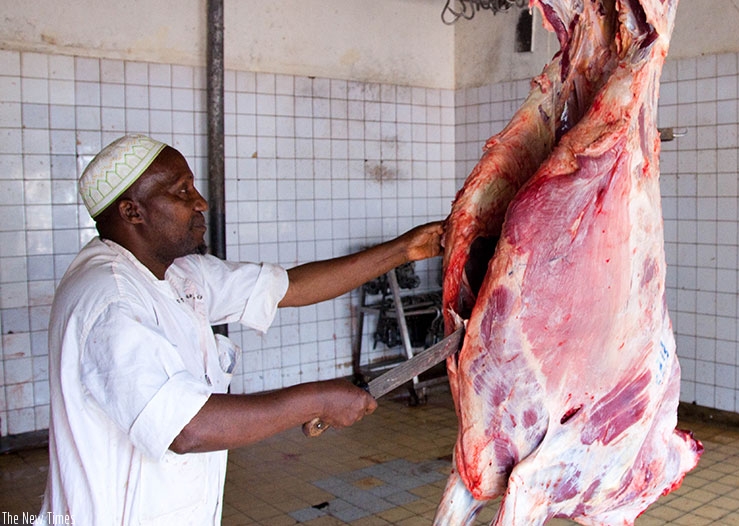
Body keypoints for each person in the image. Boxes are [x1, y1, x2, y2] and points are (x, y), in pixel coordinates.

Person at [36, 134, 445, 525]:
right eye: (181, 192)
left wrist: (405, 250)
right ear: (132, 212)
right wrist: (318, 399)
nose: (200, 202)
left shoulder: (178, 273)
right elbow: (188, 428)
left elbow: (292, 287)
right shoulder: (111, 299)